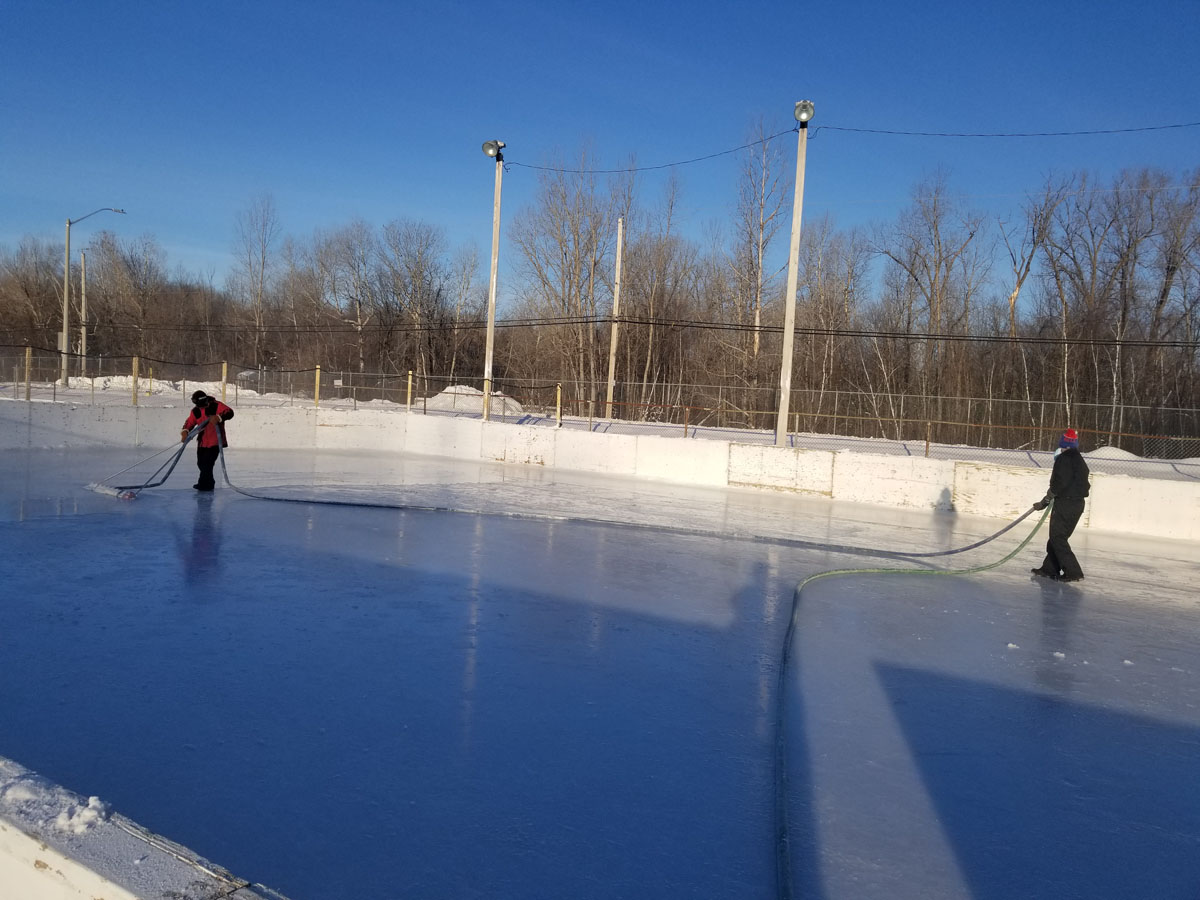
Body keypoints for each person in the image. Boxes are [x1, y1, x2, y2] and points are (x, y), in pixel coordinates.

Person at [1031, 428, 1089, 582]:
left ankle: (1074, 572)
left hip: (1066, 504)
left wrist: (1045, 501)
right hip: (1077, 504)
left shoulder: (1064, 459)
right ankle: (1049, 569)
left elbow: (1059, 483)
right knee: (1057, 538)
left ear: (1062, 443)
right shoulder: (1079, 460)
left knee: (1058, 538)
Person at [181, 390, 234, 492]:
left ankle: (205, 485)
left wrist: (219, 417)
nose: (200, 407)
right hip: (202, 442)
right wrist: (185, 431)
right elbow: (190, 422)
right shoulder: (196, 411)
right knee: (200, 463)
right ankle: (208, 483)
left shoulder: (216, 405)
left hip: (215, 441)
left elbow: (230, 412)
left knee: (207, 464)